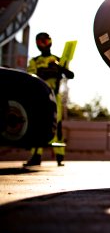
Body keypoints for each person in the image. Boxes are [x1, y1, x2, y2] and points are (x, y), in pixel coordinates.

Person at [24, 32, 75, 167]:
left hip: (55, 97)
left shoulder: (59, 60)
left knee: (56, 125)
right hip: (39, 97)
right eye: (40, 42)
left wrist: (60, 68)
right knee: (37, 123)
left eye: (45, 41)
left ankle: (59, 156)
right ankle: (36, 155)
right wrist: (48, 70)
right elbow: (32, 75)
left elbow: (70, 75)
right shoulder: (34, 61)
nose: (43, 45)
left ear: (50, 42)